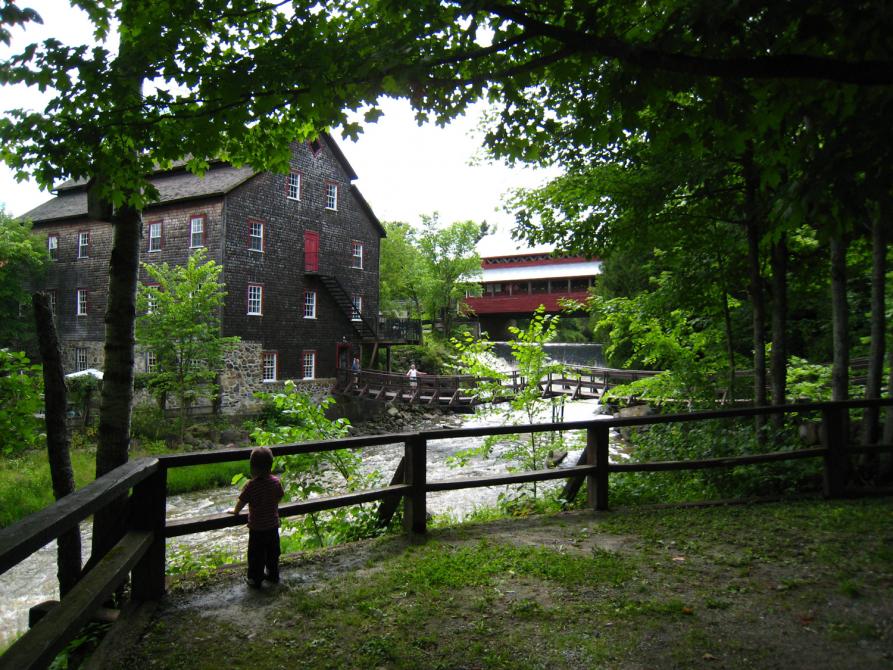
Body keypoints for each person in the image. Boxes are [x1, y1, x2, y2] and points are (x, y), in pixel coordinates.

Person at [230, 446, 284, 588]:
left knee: (256, 555)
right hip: (272, 525)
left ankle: (255, 578)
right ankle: (273, 575)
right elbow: (279, 496)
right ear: (270, 466)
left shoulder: (251, 485)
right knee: (273, 552)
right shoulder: (275, 482)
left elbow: (242, 501)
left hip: (257, 528)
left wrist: (235, 511)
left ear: (252, 467)